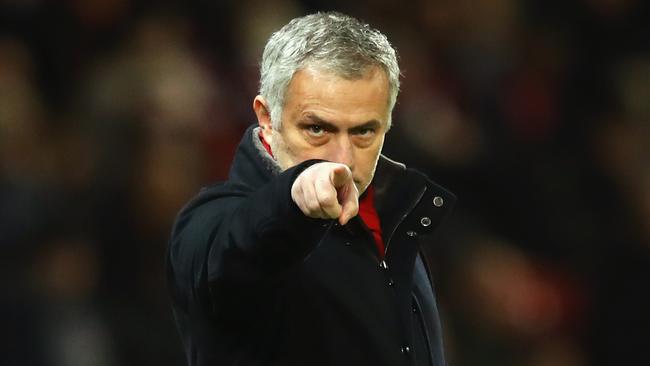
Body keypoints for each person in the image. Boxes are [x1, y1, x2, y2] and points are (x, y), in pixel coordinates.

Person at [166, 12, 455, 366]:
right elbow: (233, 245)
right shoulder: (209, 223)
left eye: (364, 131)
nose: (342, 158)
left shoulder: (395, 214)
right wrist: (293, 198)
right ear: (267, 118)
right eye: (317, 129)